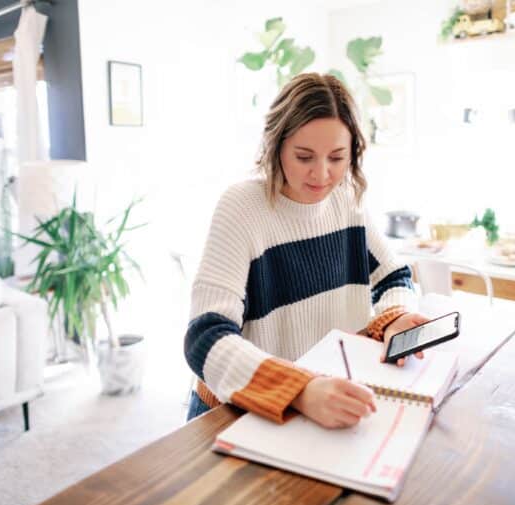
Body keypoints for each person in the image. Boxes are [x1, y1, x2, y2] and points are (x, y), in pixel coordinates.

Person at [184, 72, 429, 429]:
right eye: (304, 156)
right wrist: (299, 389)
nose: (322, 175)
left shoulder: (347, 199)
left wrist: (394, 319)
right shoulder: (242, 207)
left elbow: (394, 278)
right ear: (276, 146)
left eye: (337, 157)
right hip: (236, 414)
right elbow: (205, 338)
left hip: (318, 408)